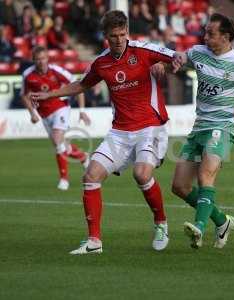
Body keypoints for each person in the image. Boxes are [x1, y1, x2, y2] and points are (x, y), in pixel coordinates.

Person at [30, 10, 181, 254]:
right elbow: (81, 84)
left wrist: (168, 65)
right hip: (120, 131)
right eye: (114, 36)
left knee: (142, 174)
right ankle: (94, 242)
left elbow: (176, 56)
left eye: (122, 34)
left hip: (151, 126)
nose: (119, 39)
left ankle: (161, 223)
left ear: (127, 32)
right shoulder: (101, 63)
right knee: (91, 176)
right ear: (105, 37)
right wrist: (50, 94)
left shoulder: (142, 50)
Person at [170, 13, 234, 249]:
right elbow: (182, 56)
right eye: (205, 31)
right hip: (198, 128)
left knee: (206, 176)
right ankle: (222, 222)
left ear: (226, 37)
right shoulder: (198, 52)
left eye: (210, 33)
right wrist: (177, 60)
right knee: (179, 187)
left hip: (221, 127)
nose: (205, 36)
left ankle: (199, 228)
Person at [21, 46, 91, 191]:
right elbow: (24, 95)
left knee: (58, 139)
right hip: (44, 114)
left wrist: (82, 110)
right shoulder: (28, 75)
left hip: (61, 107)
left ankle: (64, 180)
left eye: (43, 58)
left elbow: (79, 85)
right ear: (33, 60)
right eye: (38, 59)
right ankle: (83, 156)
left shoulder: (57, 71)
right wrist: (32, 113)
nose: (41, 62)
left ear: (48, 58)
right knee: (61, 145)